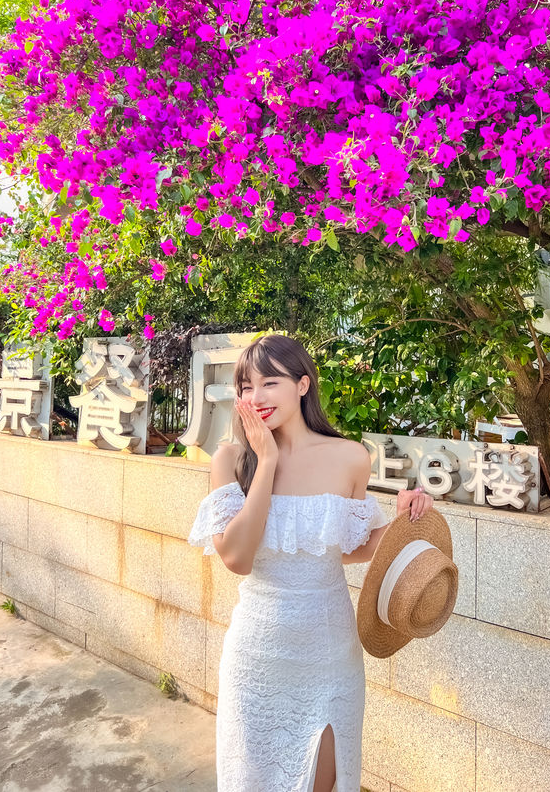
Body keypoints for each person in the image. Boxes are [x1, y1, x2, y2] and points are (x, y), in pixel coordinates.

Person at [187, 334, 432, 792]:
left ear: (303, 385)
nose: (254, 397)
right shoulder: (229, 459)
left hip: (329, 652)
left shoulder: (349, 457)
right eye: (245, 386)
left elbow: (343, 549)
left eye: (269, 383)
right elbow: (237, 558)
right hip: (257, 652)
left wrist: (400, 523)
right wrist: (267, 461)